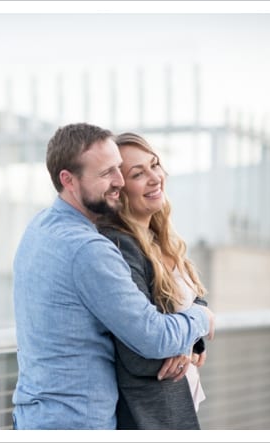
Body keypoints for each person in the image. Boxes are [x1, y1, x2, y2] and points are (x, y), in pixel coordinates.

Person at [11, 123, 215, 430]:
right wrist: (202, 318)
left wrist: (189, 335)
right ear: (68, 180)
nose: (118, 181)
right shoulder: (90, 249)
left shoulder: (39, 226)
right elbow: (152, 338)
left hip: (35, 415)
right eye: (107, 173)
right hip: (77, 422)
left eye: (119, 169)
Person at [96, 132, 209, 429]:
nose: (154, 177)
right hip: (150, 416)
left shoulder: (160, 238)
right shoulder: (119, 245)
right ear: (119, 189)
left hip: (180, 400)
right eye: (138, 173)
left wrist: (190, 339)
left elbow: (194, 299)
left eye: (154, 165)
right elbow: (140, 347)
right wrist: (196, 325)